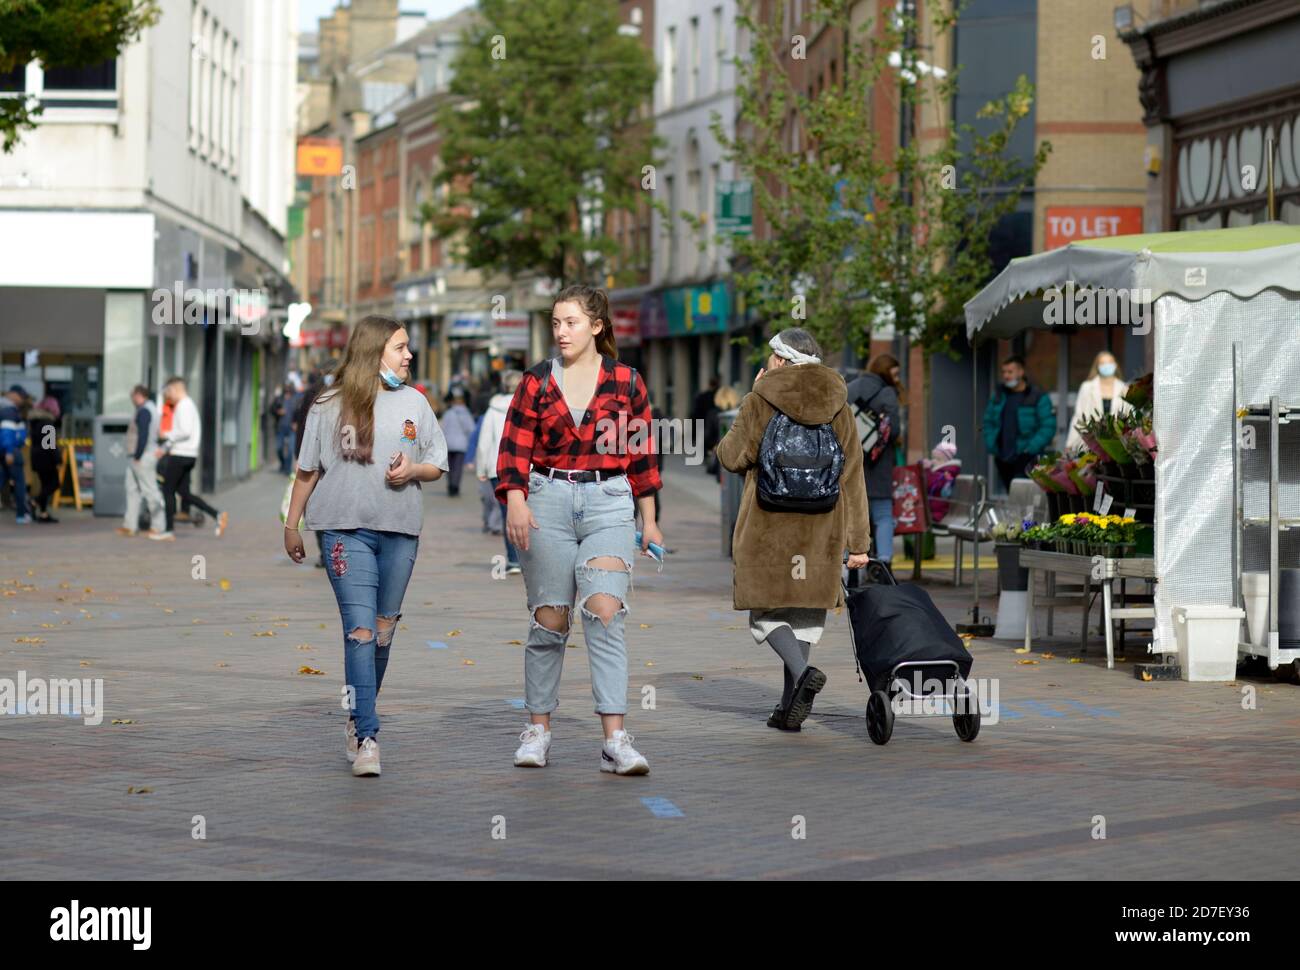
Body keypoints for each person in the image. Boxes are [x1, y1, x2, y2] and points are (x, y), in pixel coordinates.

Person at [498, 285, 663, 775]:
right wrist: (515, 502)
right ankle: (538, 731)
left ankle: (615, 741)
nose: (561, 332)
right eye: (555, 323)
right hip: (546, 500)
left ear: (596, 326)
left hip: (610, 502)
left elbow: (642, 456)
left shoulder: (627, 382)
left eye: (570, 322)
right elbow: (513, 449)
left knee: (605, 611)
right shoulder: (536, 382)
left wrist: (649, 521)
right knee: (550, 621)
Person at [285, 315, 448, 778]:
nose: (409, 355)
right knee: (358, 630)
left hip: (400, 531)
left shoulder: (416, 402)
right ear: (376, 351)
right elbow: (307, 470)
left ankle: (357, 717)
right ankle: (369, 735)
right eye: (400, 347)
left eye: (408, 347)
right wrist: (292, 525)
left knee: (382, 631)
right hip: (343, 531)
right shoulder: (328, 404)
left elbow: (436, 463)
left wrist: (411, 470)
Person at [716, 329, 871, 731]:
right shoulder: (840, 403)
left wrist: (750, 402)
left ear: (782, 362)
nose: (766, 365)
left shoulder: (760, 398)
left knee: (765, 609)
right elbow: (853, 477)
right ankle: (789, 710)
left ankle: (802, 676)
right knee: (802, 613)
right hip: (822, 526)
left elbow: (731, 457)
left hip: (768, 526)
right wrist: (859, 543)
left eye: (770, 358)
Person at [151, 377, 229, 541]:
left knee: (168, 490)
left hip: (180, 454)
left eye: (168, 392)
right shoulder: (187, 405)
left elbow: (184, 431)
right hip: (188, 454)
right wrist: (164, 448)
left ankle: (168, 530)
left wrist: (166, 436)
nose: (168, 397)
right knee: (184, 493)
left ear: (175, 389)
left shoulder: (183, 405)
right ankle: (217, 514)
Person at [846, 354, 903, 567]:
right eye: (894, 374)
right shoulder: (887, 393)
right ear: (884, 371)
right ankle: (883, 564)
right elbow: (894, 429)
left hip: (851, 461)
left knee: (851, 515)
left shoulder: (851, 387)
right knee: (883, 515)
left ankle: (850, 568)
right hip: (878, 463)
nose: (897, 379)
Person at [982, 355, 1056, 491]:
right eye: (1003, 372)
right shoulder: (999, 396)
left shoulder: (1036, 396)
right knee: (1010, 493)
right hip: (1003, 457)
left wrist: (1030, 449)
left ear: (1021, 372)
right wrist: (992, 444)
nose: (1006, 376)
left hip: (1027, 458)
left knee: (1025, 495)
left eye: (1010, 372)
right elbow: (988, 422)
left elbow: (1048, 426)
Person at [475, 369, 523, 572]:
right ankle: (528, 559)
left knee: (507, 514)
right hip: (524, 468)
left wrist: (481, 467)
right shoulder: (527, 405)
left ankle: (513, 560)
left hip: (498, 468)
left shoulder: (493, 409)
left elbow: (484, 442)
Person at [118, 385, 166, 537]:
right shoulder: (150, 409)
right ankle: (130, 525)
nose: (132, 399)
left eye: (133, 396)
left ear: (139, 395)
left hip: (142, 456)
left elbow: (143, 434)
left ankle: (159, 525)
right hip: (139, 456)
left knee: (150, 490)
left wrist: (138, 456)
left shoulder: (144, 411)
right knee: (132, 489)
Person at [1066, 351, 1131, 453]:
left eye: (1110, 362)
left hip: (1118, 443)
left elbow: (1129, 415)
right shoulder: (1087, 387)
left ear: (1115, 365)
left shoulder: (1124, 388)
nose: (1107, 366)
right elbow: (1079, 416)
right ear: (1097, 366)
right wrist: (1070, 444)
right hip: (1091, 442)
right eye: (1103, 363)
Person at [26, 394, 61, 523]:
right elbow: (50, 445)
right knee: (54, 484)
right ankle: (34, 501)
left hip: (36, 457)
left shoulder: (35, 422)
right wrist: (58, 459)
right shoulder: (47, 424)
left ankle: (43, 513)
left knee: (45, 485)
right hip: (46, 459)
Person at [0, 386, 31, 524]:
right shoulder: (9, 409)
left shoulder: (7, 408)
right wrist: (9, 451)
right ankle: (21, 514)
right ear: (12, 394)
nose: (22, 400)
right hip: (11, 451)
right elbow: (8, 431)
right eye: (21, 397)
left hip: (7, 450)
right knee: (19, 483)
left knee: (2, 480)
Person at [440, 390, 476, 497]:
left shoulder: (448, 413)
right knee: (458, 467)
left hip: (448, 443)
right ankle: (455, 486)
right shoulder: (466, 414)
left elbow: (442, 428)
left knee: (449, 466)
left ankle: (450, 484)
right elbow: (471, 429)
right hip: (461, 444)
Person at [923, 440, 962, 522]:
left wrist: (927, 470)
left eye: (937, 459)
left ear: (945, 461)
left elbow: (931, 485)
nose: (933, 461)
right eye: (933, 458)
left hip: (937, 512)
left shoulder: (947, 473)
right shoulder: (941, 471)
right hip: (932, 509)